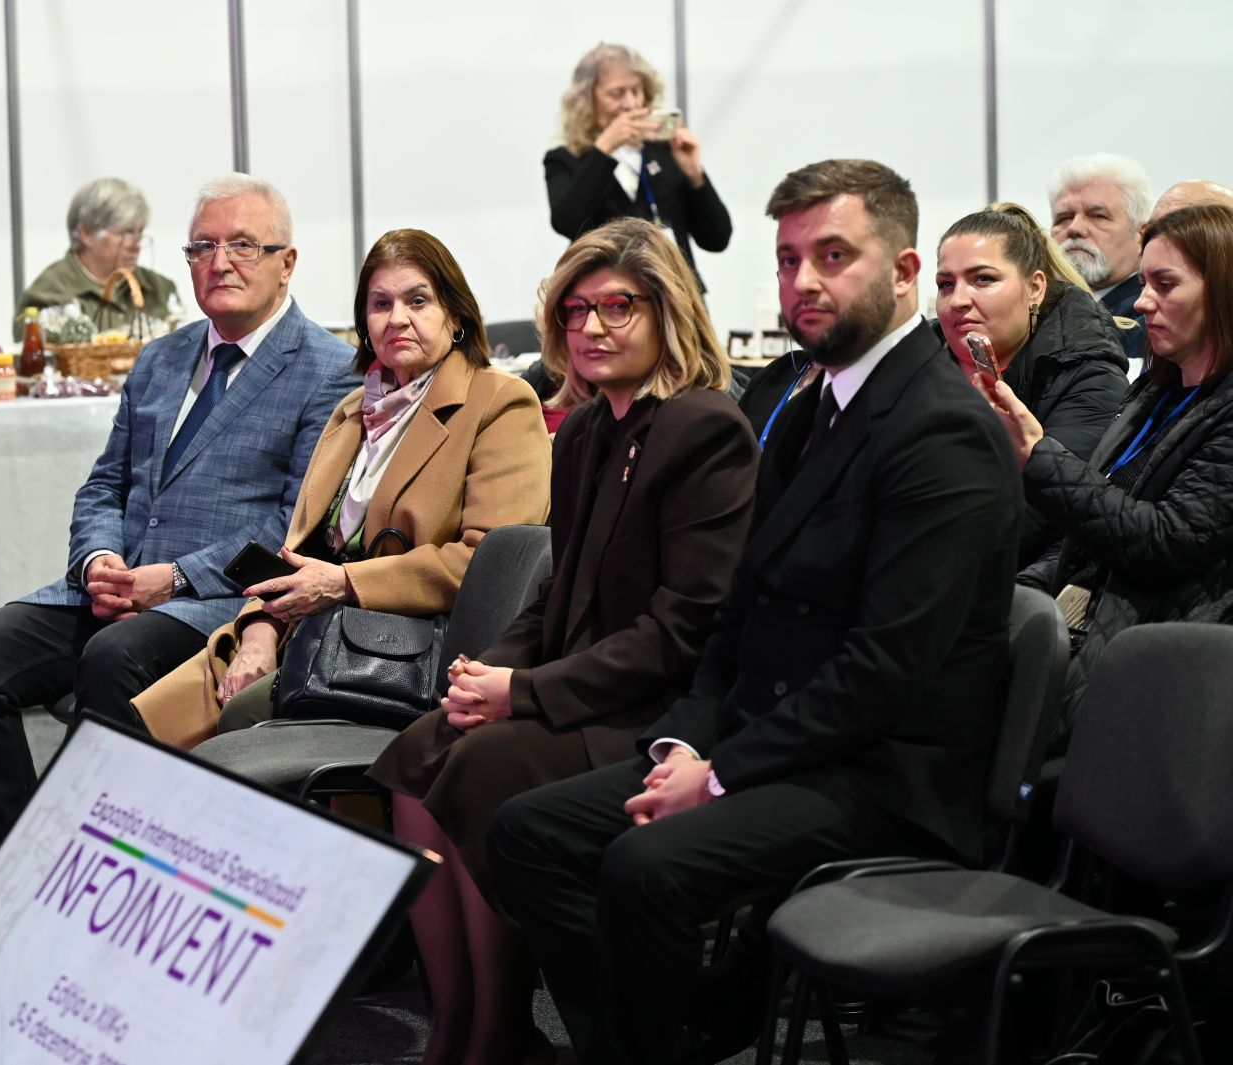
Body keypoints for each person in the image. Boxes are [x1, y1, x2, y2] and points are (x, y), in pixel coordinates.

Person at [487, 160, 1021, 1065]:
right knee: (526, 834)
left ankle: (664, 1032)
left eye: (833, 256)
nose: (802, 281)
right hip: (783, 742)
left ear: (903, 272)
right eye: (786, 259)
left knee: (643, 867)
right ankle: (671, 1031)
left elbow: (883, 672)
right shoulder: (815, 408)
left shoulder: (942, 428)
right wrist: (684, 742)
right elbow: (739, 618)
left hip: (886, 777)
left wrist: (720, 773)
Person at [368, 216, 758, 1065]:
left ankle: (499, 1034)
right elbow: (556, 594)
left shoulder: (704, 428)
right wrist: (488, 672)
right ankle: (459, 1021)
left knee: (477, 768)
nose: (592, 327)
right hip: (575, 689)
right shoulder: (582, 432)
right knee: (415, 755)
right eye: (575, 311)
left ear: (666, 312)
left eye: (618, 307)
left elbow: (682, 630)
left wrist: (523, 694)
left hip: (654, 708)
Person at [0, 175, 355, 913]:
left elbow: (294, 526)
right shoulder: (162, 358)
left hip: (217, 599)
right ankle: (14, 877)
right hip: (116, 584)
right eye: (202, 246)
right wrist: (99, 559)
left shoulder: (326, 369)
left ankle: (96, 883)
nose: (219, 262)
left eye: (243, 245)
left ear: (287, 263)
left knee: (111, 659)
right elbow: (103, 485)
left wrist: (174, 578)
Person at [127, 229, 552, 746]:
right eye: (380, 304)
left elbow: (491, 566)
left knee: (222, 728)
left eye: (418, 301)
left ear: (456, 315)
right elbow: (299, 550)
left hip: (408, 653)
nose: (397, 318)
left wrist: (346, 583)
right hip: (306, 627)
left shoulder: (500, 403)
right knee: (139, 720)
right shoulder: (354, 410)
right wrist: (259, 633)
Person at [983, 203, 1233, 749]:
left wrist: (1037, 455)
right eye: (1143, 283)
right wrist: (1014, 593)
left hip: (1156, 667)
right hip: (1093, 628)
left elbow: (1162, 540)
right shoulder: (1156, 391)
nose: (1141, 302)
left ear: (1222, 291)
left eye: (1165, 284)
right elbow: (1083, 537)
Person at [934, 202, 1129, 564]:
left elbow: (1041, 518)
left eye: (983, 279)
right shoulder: (914, 362)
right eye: (946, 284)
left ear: (1035, 288)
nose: (958, 300)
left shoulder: (1088, 372)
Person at [545, 43, 731, 292]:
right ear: (588, 100)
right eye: (617, 94)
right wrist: (604, 149)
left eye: (636, 91)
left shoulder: (665, 151)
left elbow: (717, 239)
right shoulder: (567, 159)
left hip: (677, 296)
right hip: (609, 297)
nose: (630, 104)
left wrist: (696, 176)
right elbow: (566, 223)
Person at [14, 177, 181, 339]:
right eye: (125, 233)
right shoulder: (50, 294)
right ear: (86, 234)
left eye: (140, 232)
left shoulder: (159, 289)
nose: (136, 245)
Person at [1049, 153, 1153, 364]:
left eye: (1098, 216)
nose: (1075, 228)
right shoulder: (1034, 311)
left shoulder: (1151, 320)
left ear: (1141, 235)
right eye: (1064, 218)